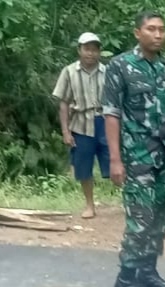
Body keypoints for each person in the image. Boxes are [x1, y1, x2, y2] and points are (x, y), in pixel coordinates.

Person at [102, 10, 165, 287]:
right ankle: (125, 278)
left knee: (161, 216)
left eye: (162, 29)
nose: (158, 34)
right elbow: (112, 113)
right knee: (141, 217)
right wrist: (115, 159)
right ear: (137, 33)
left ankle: (148, 272)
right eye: (151, 29)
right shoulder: (120, 66)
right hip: (137, 155)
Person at [52, 32, 109, 220]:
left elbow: (116, 102)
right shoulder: (69, 72)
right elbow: (63, 103)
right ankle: (90, 205)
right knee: (83, 167)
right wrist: (65, 131)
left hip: (105, 122)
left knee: (114, 163)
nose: (90, 53)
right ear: (79, 50)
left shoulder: (107, 72)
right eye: (87, 49)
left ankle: (130, 203)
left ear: (99, 52)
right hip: (81, 124)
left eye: (94, 49)